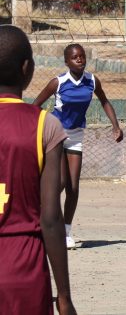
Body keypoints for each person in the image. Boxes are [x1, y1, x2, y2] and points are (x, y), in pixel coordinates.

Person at [0, 25, 76, 315]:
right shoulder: (45, 125)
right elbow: (51, 219)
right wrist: (64, 297)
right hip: (25, 269)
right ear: (27, 69)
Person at [33, 43, 123, 251]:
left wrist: (115, 126)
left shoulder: (92, 81)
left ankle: (66, 231)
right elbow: (35, 105)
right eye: (75, 57)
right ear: (66, 62)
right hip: (55, 134)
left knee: (73, 187)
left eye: (82, 56)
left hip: (75, 136)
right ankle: (44, 222)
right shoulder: (58, 82)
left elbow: (105, 101)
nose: (80, 59)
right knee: (61, 182)